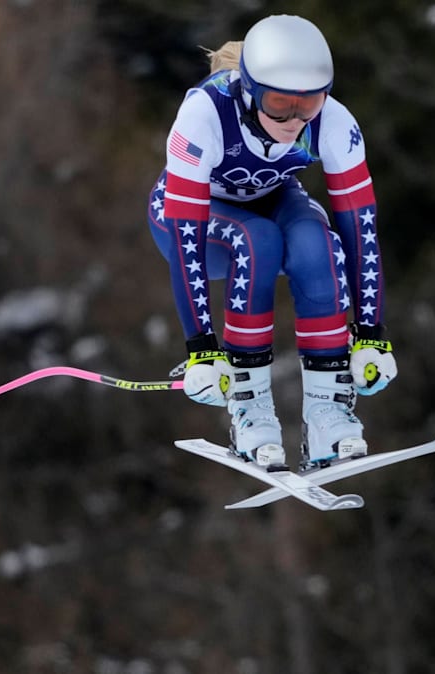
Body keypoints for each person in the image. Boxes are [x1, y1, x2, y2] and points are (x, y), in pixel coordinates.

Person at [147, 14, 397, 471]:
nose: (295, 120)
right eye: (280, 104)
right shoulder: (205, 114)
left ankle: (327, 413)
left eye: (310, 104)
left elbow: (360, 229)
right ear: (249, 92)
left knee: (315, 242)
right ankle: (250, 408)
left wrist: (371, 336)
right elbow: (187, 236)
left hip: (271, 198)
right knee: (257, 240)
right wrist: (201, 347)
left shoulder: (334, 122)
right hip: (191, 222)